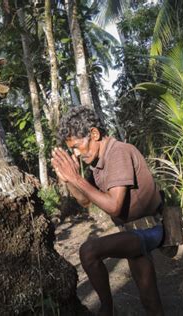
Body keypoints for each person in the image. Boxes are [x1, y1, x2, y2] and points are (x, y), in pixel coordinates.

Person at [51, 107, 165, 316]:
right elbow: (85, 200)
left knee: (89, 251)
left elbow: (114, 206)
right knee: (150, 299)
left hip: (149, 230)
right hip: (132, 233)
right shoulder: (97, 164)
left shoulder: (118, 152)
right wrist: (69, 180)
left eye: (77, 146)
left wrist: (77, 178)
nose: (76, 153)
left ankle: (107, 308)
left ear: (94, 134)